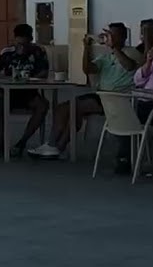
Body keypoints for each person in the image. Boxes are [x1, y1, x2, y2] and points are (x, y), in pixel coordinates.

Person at [34, 23, 142, 165]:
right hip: (102, 95)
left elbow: (129, 66)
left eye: (112, 35)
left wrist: (114, 47)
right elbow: (89, 69)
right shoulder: (107, 56)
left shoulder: (131, 52)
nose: (109, 37)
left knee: (71, 108)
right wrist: (87, 48)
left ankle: (54, 145)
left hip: (120, 98)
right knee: (68, 109)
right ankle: (56, 146)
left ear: (122, 37)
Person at [0, 23, 51, 158]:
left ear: (31, 39)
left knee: (43, 105)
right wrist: (4, 77)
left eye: (25, 44)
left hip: (28, 92)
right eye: (19, 44)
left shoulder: (38, 51)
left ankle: (22, 142)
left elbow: (44, 72)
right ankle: (2, 140)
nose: (21, 47)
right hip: (6, 92)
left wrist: (30, 78)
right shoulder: (7, 52)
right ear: (14, 39)